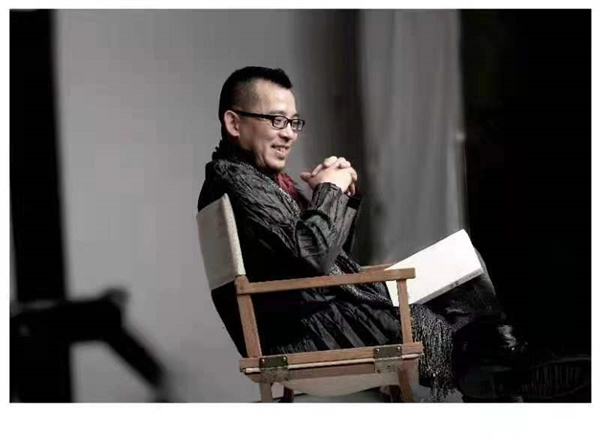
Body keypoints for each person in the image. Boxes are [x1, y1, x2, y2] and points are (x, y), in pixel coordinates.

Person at [197, 66, 589, 402]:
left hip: (325, 309)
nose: (289, 134)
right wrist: (329, 190)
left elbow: (330, 260)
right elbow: (314, 258)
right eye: (277, 120)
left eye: (294, 122)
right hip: (309, 329)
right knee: (449, 305)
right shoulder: (237, 181)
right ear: (234, 123)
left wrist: (334, 198)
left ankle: (503, 366)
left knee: (461, 260)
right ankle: (506, 371)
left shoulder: (256, 180)